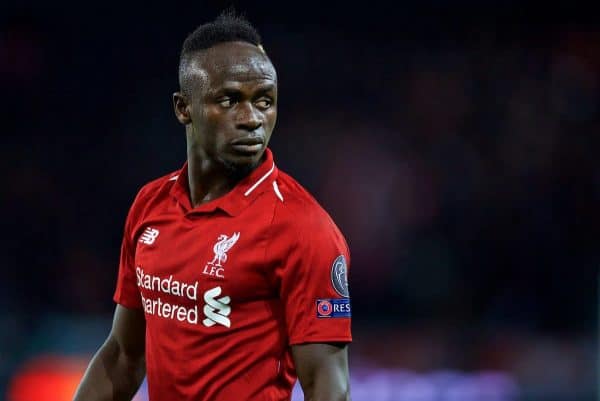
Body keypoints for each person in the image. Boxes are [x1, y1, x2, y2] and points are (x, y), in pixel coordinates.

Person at [72, 11, 352, 401]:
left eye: (264, 101)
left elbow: (328, 387)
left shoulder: (304, 229)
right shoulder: (149, 206)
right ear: (183, 108)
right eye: (230, 99)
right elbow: (123, 355)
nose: (252, 119)